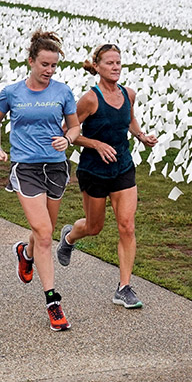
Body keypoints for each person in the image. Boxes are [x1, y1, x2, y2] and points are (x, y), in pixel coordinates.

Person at [0, 30, 79, 331]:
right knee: (43, 233)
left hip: (55, 168)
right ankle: (53, 303)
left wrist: (68, 139)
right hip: (26, 167)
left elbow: (75, 127)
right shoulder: (13, 92)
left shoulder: (63, 92)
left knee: (45, 233)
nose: (50, 71)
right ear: (31, 61)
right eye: (45, 65)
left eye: (54, 66)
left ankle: (24, 254)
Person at [56, 43, 157, 309]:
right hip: (94, 170)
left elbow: (129, 119)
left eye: (118, 63)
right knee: (94, 227)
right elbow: (69, 130)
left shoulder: (128, 94)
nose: (115, 67)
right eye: (110, 63)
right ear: (98, 67)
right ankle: (69, 237)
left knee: (127, 225)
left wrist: (140, 136)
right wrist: (96, 144)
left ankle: (124, 287)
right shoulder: (90, 99)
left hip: (123, 167)